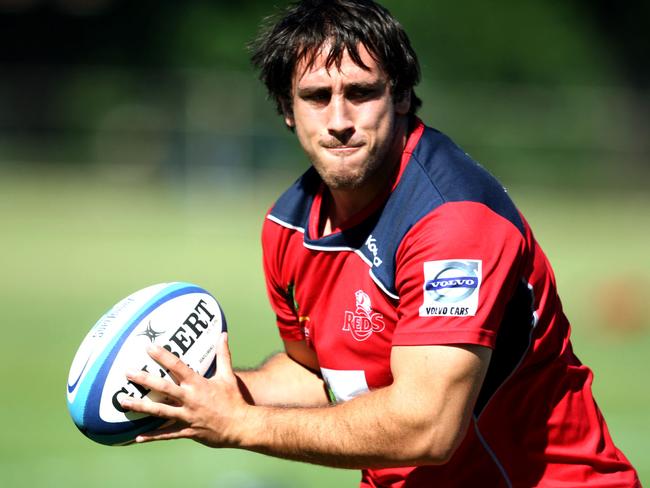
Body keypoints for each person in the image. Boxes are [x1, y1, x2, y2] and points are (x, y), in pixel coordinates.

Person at [120, 0, 641, 486]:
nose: (340, 120)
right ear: (286, 108)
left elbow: (428, 428)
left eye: (361, 93)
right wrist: (202, 396)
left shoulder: (453, 218)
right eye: (316, 97)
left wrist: (242, 425)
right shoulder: (289, 223)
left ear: (401, 95)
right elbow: (315, 373)